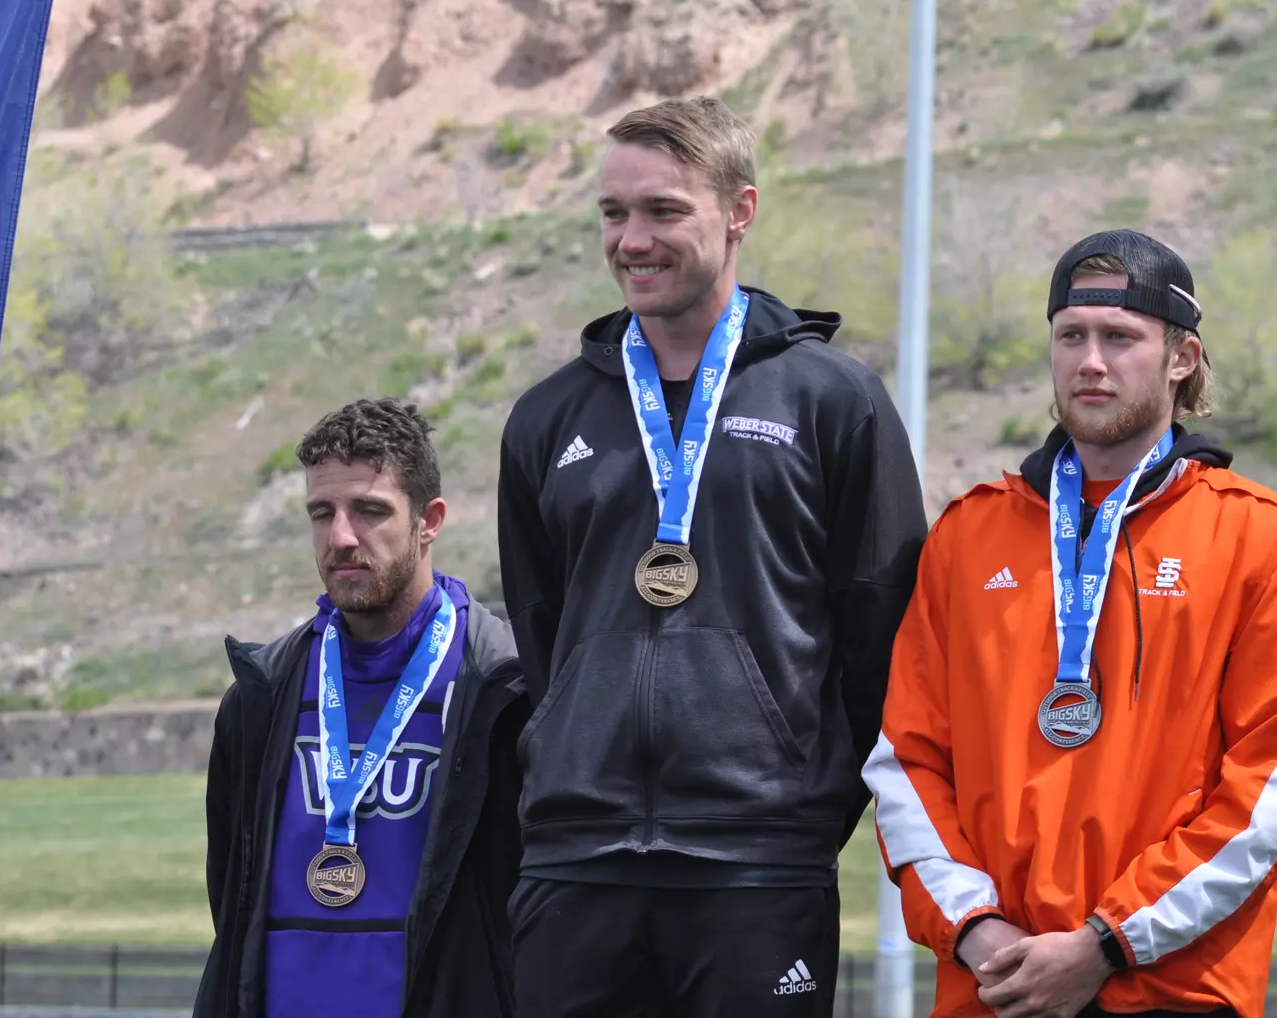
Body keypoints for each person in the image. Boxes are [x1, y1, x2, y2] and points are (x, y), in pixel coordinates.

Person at [497, 95, 927, 1017]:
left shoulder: (834, 401)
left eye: (663, 210)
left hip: (757, 866)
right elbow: (542, 637)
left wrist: (801, 812)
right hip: (577, 865)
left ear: (740, 212)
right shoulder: (546, 417)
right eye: (613, 213)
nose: (631, 240)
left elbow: (883, 638)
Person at [864, 229, 1277, 1018]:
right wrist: (978, 930)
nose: (1091, 361)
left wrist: (1108, 942)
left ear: (1181, 358)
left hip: (1172, 987)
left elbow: (1272, 788)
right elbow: (906, 758)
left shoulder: (1268, 537)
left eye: (1120, 338)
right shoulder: (968, 533)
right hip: (997, 983)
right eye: (1071, 336)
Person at [194, 398, 528, 1018]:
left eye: (370, 511)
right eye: (322, 513)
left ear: (429, 521)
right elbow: (231, 899)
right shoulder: (260, 698)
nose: (341, 537)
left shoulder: (505, 691)